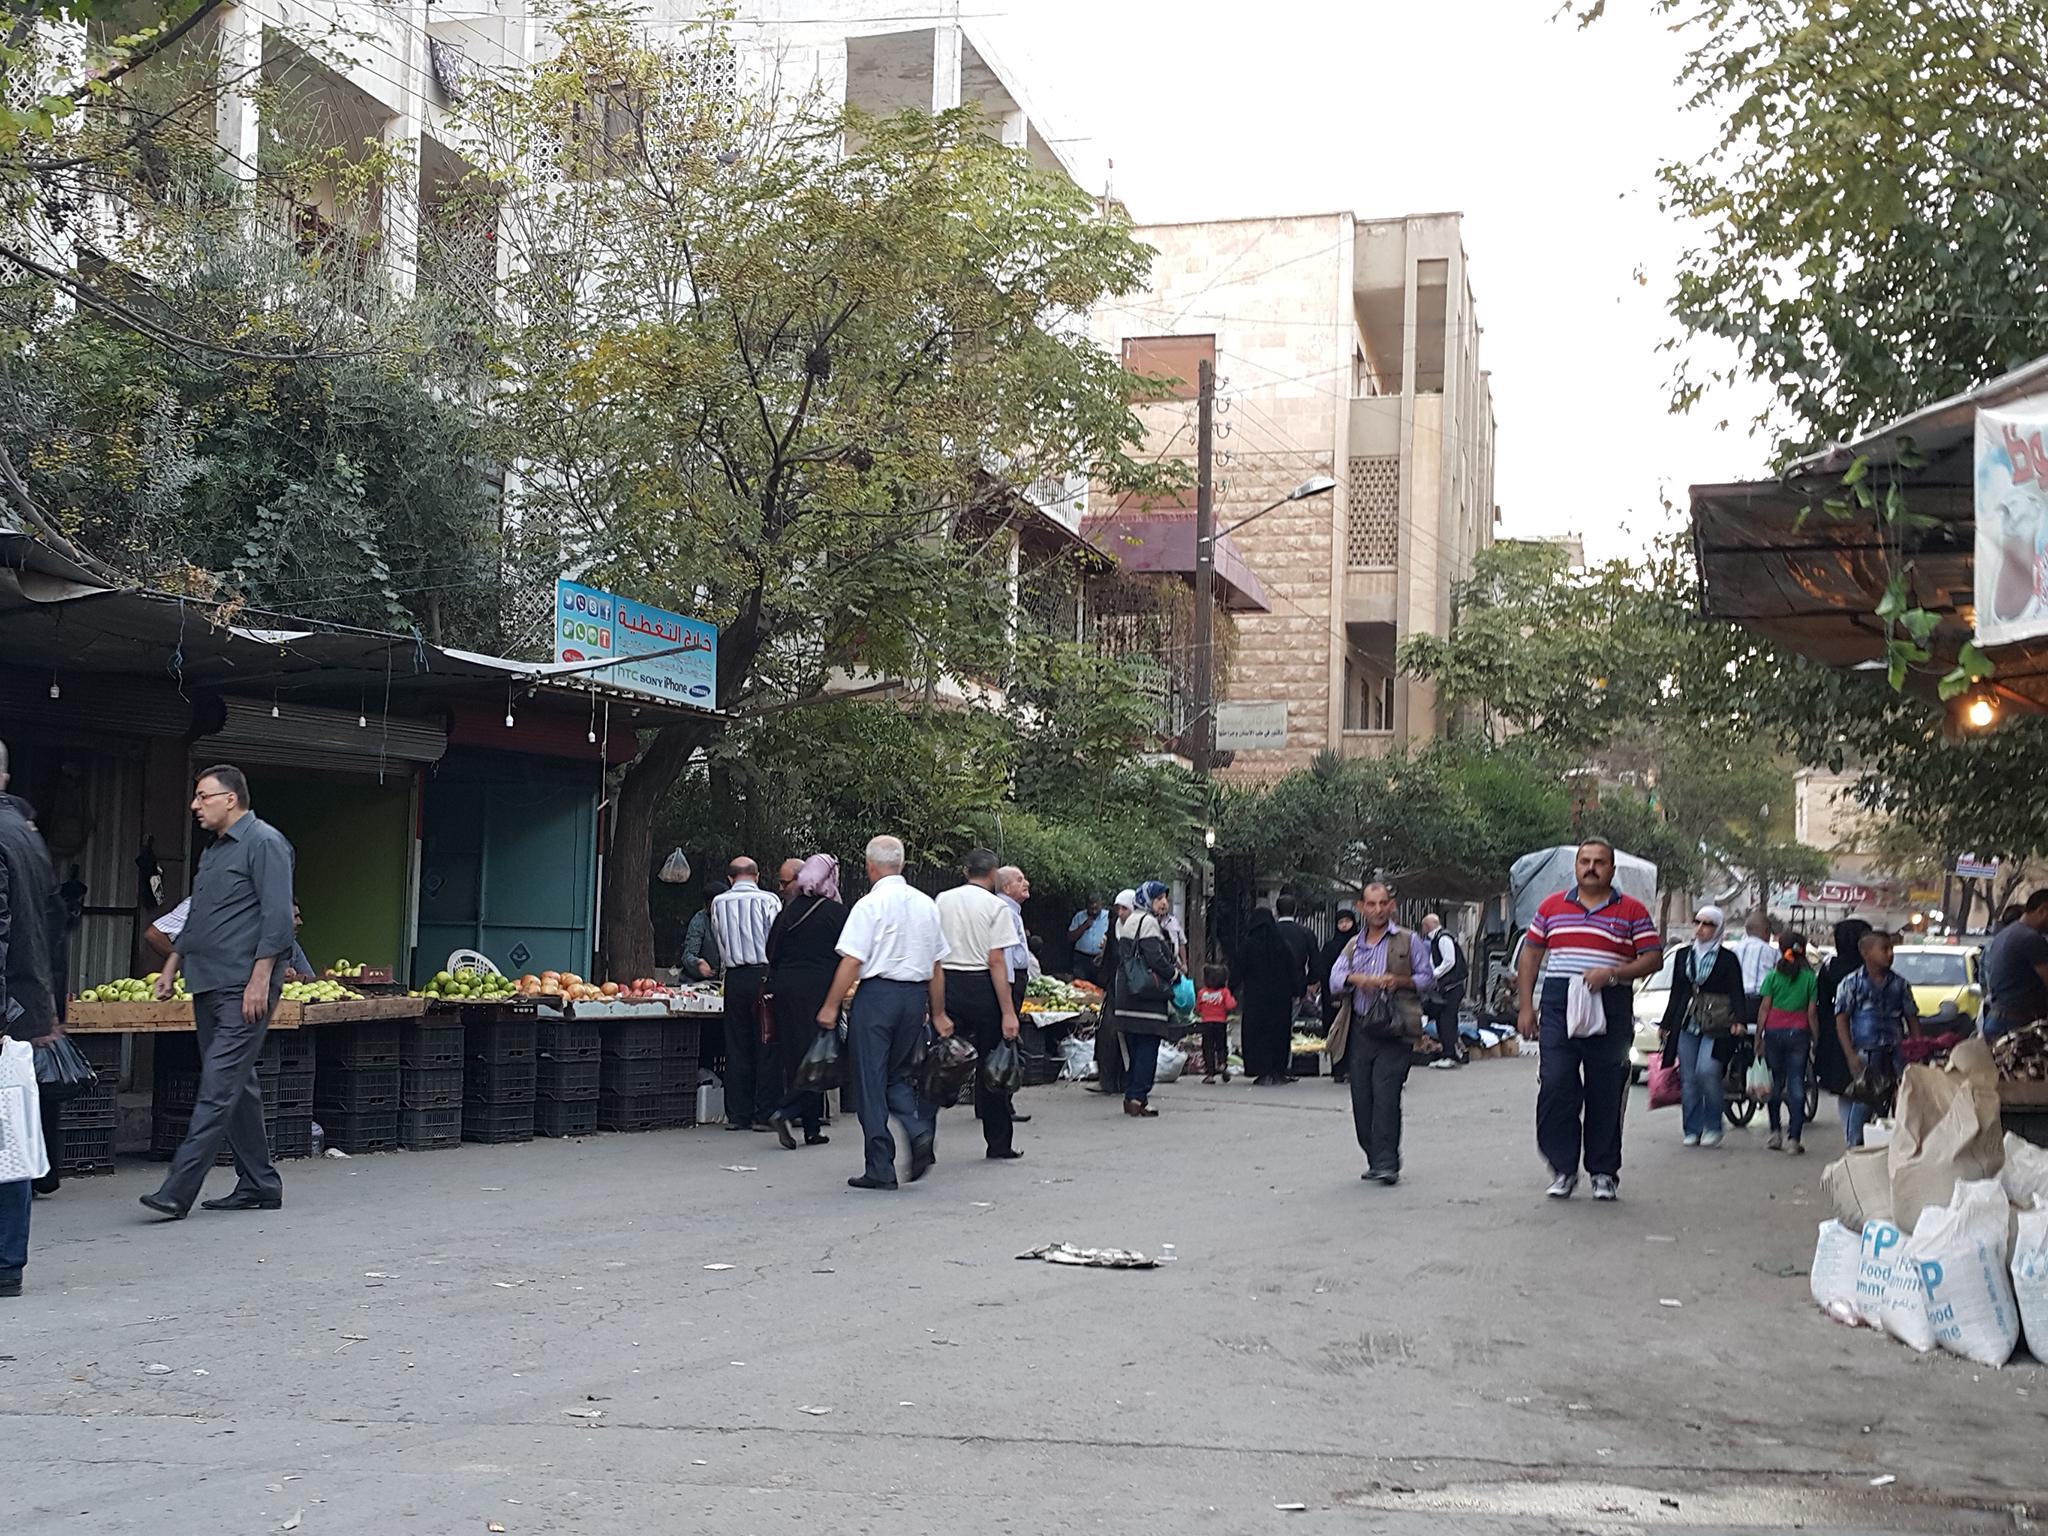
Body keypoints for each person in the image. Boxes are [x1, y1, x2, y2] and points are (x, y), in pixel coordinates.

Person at [142, 765, 294, 1219]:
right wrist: (171, 965)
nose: (195, 805)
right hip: (207, 982)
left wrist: (260, 981)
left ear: (231, 799)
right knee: (235, 1085)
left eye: (203, 796)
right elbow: (198, 918)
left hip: (241, 986)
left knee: (216, 1087)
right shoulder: (213, 852)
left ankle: (177, 1190)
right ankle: (260, 1184)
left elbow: (278, 919)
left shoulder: (265, 843)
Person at [1516, 836, 1663, 1202]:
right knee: (1555, 1084)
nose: (1591, 867)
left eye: (1599, 861)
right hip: (1560, 1000)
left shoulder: (1631, 910)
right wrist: (1525, 1007)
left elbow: (1653, 958)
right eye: (1585, 861)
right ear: (1576, 867)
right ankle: (1563, 1168)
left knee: (1606, 1089)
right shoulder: (1551, 907)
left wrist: (1613, 974)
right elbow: (1531, 955)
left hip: (1609, 1001)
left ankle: (1603, 1171)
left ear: (1611, 869)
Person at [816, 835, 951, 1189]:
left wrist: (831, 1005)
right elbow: (937, 965)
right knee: (898, 1075)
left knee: (869, 1082)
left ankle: (880, 1165)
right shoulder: (926, 905)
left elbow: (852, 960)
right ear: (902, 865)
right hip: (914, 998)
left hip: (877, 997)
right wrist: (938, 1012)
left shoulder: (868, 905)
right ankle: (918, 1128)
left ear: (869, 866)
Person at [0, 741, 63, 1294]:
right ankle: (7, 1263)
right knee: (9, 1134)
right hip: (25, 1005)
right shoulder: (27, 836)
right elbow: (49, 922)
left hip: (6, 1007)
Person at [1328, 881, 1434, 1185]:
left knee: (1386, 1093)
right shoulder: (1353, 945)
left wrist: (1397, 981)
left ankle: (1388, 1161)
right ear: (1361, 908)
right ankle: (1374, 1156)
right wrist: (1357, 979)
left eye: (1382, 904)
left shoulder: (1408, 940)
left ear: (1391, 906)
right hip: (1362, 1029)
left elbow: (1427, 978)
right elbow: (1335, 979)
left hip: (1396, 1029)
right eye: (1370, 904)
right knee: (1362, 1097)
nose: (1377, 910)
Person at [936, 850, 1025, 1161]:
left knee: (941, 1063)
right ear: (993, 874)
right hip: (982, 985)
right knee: (993, 1064)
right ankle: (998, 1143)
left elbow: (934, 953)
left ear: (965, 871)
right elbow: (996, 960)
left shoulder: (942, 900)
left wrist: (934, 1005)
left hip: (947, 982)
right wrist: (1008, 1011)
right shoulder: (996, 907)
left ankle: (923, 1136)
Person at [764, 855, 847, 1150]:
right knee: (820, 1057)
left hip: (785, 989)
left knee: (797, 1056)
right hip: (820, 992)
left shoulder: (787, 912)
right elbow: (848, 953)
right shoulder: (836, 914)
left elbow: (770, 950)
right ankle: (785, 1110)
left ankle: (812, 1127)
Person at [1659, 906, 1747, 1148]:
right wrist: (1666, 1023)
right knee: (1688, 1078)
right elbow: (1677, 993)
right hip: (1688, 1022)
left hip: (1718, 1024)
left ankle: (1713, 1125)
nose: (1700, 928)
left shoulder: (1727, 959)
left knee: (1707, 1071)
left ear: (1718, 928)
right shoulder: (1683, 955)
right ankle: (1692, 1128)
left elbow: (1736, 991)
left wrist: (1739, 1020)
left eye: (1707, 924)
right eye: (1697, 922)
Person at [711, 859, 783, 1132]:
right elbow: (777, 938)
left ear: (730, 878)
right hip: (763, 977)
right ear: (757, 875)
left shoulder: (719, 903)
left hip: (735, 978)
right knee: (767, 1042)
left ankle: (738, 1114)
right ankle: (765, 1113)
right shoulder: (769, 900)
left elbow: (720, 938)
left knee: (736, 1045)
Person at [1834, 929, 1920, 1148]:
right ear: (1866, 953)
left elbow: (1911, 1018)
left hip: (1897, 1054)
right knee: (1864, 1104)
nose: (1890, 954)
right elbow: (1841, 1020)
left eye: (1891, 949)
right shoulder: (1851, 983)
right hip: (1867, 1054)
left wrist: (1918, 1051)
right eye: (1884, 949)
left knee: (1900, 1106)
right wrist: (1850, 1055)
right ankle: (1854, 1148)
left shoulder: (1900, 984)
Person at [1114, 881, 1180, 1116]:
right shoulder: (1148, 922)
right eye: (1158, 898)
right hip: (1147, 999)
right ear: (1146, 900)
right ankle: (1138, 1097)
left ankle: (1132, 1095)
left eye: (1165, 898)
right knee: (1147, 1048)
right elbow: (1155, 958)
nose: (1163, 903)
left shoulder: (1129, 921)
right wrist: (1173, 975)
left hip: (1127, 994)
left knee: (1134, 1048)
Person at [1757, 930, 1818, 1153]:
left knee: (1776, 1083)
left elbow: (1764, 1008)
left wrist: (1758, 1037)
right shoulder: (1810, 978)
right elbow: (1811, 1013)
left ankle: (1775, 1133)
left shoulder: (1772, 977)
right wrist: (1816, 1037)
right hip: (1799, 1036)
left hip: (1773, 1033)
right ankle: (1794, 1139)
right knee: (1795, 1084)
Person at [1236, 907, 1303, 1085]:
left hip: (1256, 999)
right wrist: (1297, 991)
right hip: (1280, 998)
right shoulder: (1282, 944)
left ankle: (1262, 1070)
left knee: (1257, 1034)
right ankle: (1277, 1070)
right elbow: (1293, 969)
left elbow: (1238, 970)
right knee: (1279, 1034)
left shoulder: (1248, 945)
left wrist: (1231, 987)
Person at [995, 866, 1035, 1127]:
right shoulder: (1005, 912)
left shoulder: (1012, 911)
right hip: (1010, 980)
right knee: (1006, 1040)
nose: (1025, 883)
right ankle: (1002, 1100)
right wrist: (1007, 991)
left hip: (1013, 978)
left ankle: (997, 1100)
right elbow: (1005, 954)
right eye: (1019, 880)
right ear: (1006, 887)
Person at [1813, 917, 1870, 1103]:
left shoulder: (1830, 968)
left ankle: (1850, 1131)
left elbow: (1821, 1003)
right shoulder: (1869, 968)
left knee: (1844, 1088)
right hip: (1868, 1031)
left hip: (1834, 1035)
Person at [1982, 888, 2048, 1042]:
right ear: (2043, 910)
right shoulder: (2031, 939)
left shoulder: (2005, 935)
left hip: (1998, 1018)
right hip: (2017, 1025)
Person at [1091, 890, 1135, 1096]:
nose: (1121, 913)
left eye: (1125, 908)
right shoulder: (1113, 927)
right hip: (1113, 987)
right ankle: (1108, 1079)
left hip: (1132, 989)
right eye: (1118, 908)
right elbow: (1110, 957)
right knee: (1108, 1034)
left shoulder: (1139, 928)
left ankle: (1128, 1079)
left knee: (1128, 1035)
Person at [1317, 909, 1362, 1083]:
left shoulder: (1360, 944)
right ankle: (1338, 1068)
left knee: (1354, 1033)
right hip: (1334, 997)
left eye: (1347, 921)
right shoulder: (1330, 946)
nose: (1344, 925)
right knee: (1336, 1031)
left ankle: (1352, 1069)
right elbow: (1324, 971)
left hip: (1355, 997)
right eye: (1340, 922)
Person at [1420, 912, 1469, 1069]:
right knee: (1444, 1020)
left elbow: (1449, 961)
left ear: (1428, 925)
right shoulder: (1437, 939)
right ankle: (1450, 1052)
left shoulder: (1443, 938)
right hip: (1447, 987)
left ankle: (1450, 1054)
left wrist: (1434, 975)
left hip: (1451, 987)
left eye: (1423, 926)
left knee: (1447, 1021)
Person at [1274, 893, 1319, 1013]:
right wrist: (1311, 981)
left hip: (1272, 983)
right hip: (1298, 983)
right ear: (1295, 910)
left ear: (1277, 910)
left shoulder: (1270, 931)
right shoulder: (1305, 932)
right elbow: (1315, 959)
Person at [1732, 911, 1776, 1026]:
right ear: (1766, 931)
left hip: (1734, 1005)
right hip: (1761, 1004)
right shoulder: (1772, 953)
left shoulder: (1733, 950)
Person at [1195, 963, 1236, 1084]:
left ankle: (1210, 1074)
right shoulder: (1224, 992)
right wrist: (1233, 1001)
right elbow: (1230, 1005)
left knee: (1207, 1047)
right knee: (1221, 1046)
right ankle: (1223, 1064)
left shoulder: (1202, 993)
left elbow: (1197, 1008)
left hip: (1206, 1023)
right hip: (1220, 1023)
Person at [681, 883, 724, 982]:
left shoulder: (734, 920)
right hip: (699, 982)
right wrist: (698, 963)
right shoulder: (700, 921)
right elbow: (688, 955)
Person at [1066, 895, 1110, 985]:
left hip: (1101, 958)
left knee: (1100, 986)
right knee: (1079, 986)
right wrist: (1084, 926)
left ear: (1101, 904)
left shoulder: (1108, 917)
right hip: (1082, 959)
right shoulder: (1079, 916)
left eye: (1096, 907)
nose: (1094, 910)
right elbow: (1070, 937)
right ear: (1086, 906)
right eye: (1091, 908)